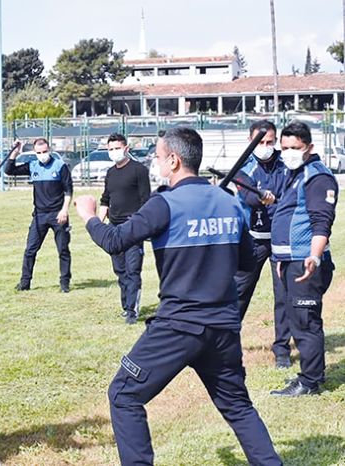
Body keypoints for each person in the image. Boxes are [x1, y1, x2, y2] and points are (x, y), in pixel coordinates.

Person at [75, 127, 281, 466]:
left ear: (173, 160)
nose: (155, 164)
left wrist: (88, 216)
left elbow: (114, 241)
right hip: (223, 327)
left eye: (157, 158)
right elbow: (245, 261)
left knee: (124, 395)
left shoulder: (164, 205)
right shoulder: (228, 203)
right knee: (238, 407)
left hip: (179, 326)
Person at [269, 120, 337, 397]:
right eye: (283, 147)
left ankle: (310, 381)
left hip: (305, 261)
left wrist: (314, 256)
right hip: (289, 260)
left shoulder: (317, 177)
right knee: (296, 319)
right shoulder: (293, 172)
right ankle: (312, 376)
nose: (287, 152)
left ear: (308, 147)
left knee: (305, 322)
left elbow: (322, 221)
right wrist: (280, 259)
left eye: (294, 147)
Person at [233, 120, 291, 368]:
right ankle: (225, 343)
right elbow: (248, 197)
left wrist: (272, 199)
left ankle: (282, 351)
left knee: (284, 296)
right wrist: (261, 197)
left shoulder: (288, 163)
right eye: (260, 142)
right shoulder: (242, 166)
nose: (265, 147)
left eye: (270, 142)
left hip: (281, 240)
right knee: (237, 293)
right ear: (250, 141)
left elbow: (289, 196)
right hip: (252, 241)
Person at [5, 138, 73, 292]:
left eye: (44, 152)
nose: (42, 155)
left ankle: (64, 283)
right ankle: (25, 283)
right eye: (39, 152)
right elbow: (9, 171)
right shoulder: (32, 165)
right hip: (39, 216)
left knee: (63, 249)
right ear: (35, 153)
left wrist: (64, 210)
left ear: (50, 150)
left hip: (58, 215)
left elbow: (68, 190)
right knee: (30, 250)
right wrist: (15, 152)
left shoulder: (60, 166)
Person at [97, 133, 150, 324]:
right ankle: (125, 305)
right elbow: (105, 200)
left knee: (132, 270)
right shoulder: (110, 173)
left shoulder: (139, 170)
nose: (114, 152)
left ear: (126, 148)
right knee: (120, 270)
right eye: (110, 149)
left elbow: (146, 201)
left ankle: (132, 310)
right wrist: (97, 224)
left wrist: (141, 224)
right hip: (114, 228)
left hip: (133, 228)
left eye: (117, 148)